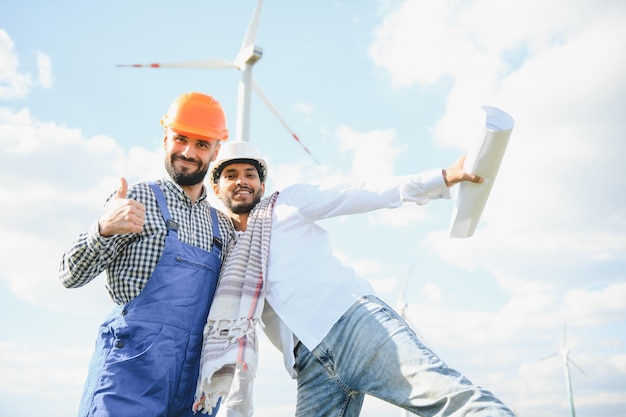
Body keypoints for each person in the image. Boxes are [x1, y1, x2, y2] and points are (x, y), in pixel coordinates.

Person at [195, 141, 516, 417]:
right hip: (310, 364)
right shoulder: (227, 255)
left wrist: (441, 179)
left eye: (249, 174)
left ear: (262, 186)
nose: (242, 181)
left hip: (354, 326)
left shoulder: (288, 205)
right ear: (217, 187)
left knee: (449, 400)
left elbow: (358, 193)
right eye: (231, 175)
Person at [59, 92, 236, 417]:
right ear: (165, 138)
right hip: (129, 377)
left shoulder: (221, 228)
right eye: (180, 139)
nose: (187, 152)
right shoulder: (138, 198)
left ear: (215, 150)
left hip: (192, 385)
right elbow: (70, 275)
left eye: (201, 144)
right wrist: (102, 228)